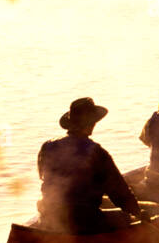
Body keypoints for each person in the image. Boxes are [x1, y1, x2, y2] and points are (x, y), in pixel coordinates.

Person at [37, 97, 143, 234]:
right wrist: (138, 213)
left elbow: (45, 179)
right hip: (84, 221)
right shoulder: (96, 152)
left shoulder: (47, 146)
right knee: (124, 218)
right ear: (92, 123)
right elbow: (120, 193)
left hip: (51, 216)